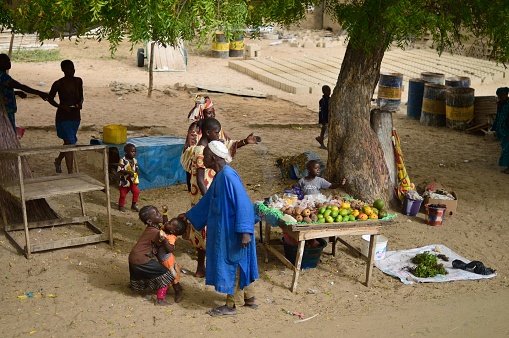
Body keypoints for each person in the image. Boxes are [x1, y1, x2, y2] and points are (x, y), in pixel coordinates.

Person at [179, 140, 258, 316]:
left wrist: (245, 232)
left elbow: (244, 204)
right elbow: (208, 201)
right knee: (239, 261)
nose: (203, 158)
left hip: (234, 231)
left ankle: (232, 305)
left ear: (213, 158)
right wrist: (190, 215)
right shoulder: (220, 176)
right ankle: (249, 297)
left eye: (205, 155)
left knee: (234, 262)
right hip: (227, 230)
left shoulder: (228, 177)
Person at [187, 117, 223, 277]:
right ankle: (203, 268)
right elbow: (201, 179)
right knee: (207, 231)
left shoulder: (203, 147)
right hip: (203, 194)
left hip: (200, 194)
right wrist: (209, 199)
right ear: (208, 132)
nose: (218, 135)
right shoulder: (201, 151)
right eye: (216, 132)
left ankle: (201, 268)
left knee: (202, 231)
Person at [129, 206, 176, 306]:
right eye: (157, 214)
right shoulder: (156, 233)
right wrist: (167, 242)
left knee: (142, 274)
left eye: (158, 212)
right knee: (166, 274)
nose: (159, 214)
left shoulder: (151, 229)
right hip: (142, 259)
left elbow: (164, 224)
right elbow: (169, 249)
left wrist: (165, 213)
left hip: (133, 257)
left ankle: (141, 290)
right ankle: (160, 299)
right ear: (150, 221)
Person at [48, 59, 84, 174]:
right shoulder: (58, 83)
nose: (72, 70)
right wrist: (60, 106)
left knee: (69, 142)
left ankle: (58, 160)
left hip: (75, 116)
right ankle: (70, 172)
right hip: (63, 117)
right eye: (69, 68)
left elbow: (81, 97)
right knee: (70, 142)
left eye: (73, 68)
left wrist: (80, 103)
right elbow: (50, 98)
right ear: (63, 70)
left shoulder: (78, 81)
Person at [0, 53, 48, 133]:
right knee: (8, 132)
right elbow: (20, 86)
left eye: (9, 60)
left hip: (5, 109)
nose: (9, 63)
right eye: (5, 61)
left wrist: (15, 93)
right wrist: (39, 93)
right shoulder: (3, 77)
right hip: (5, 110)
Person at [156, 205, 186, 303]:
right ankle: (164, 286)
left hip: (167, 261)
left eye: (170, 223)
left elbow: (170, 249)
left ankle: (179, 290)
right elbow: (165, 222)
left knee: (172, 277)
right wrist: (165, 212)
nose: (167, 223)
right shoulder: (166, 229)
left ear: (173, 231)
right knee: (163, 274)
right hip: (162, 259)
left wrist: (165, 242)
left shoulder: (171, 237)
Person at [117, 143, 140, 212]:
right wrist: (128, 172)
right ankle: (121, 206)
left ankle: (133, 205)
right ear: (126, 152)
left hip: (133, 180)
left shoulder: (134, 160)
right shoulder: (122, 161)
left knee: (136, 192)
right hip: (125, 180)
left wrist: (137, 171)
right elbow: (119, 170)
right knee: (123, 194)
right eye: (132, 151)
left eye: (135, 151)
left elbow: (136, 167)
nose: (134, 153)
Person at [492, 87, 509, 174]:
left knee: (507, 148)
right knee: (505, 148)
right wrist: (494, 129)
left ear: (507, 95)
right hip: (501, 131)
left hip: (507, 131)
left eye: (503, 95)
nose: (501, 97)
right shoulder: (500, 105)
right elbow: (497, 118)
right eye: (499, 95)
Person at [315, 85, 331, 149]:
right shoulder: (322, 101)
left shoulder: (330, 99)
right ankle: (321, 142)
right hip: (324, 118)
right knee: (324, 130)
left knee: (328, 130)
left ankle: (321, 139)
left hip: (328, 118)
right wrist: (322, 120)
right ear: (323, 92)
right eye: (327, 91)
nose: (329, 92)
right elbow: (321, 111)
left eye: (329, 91)